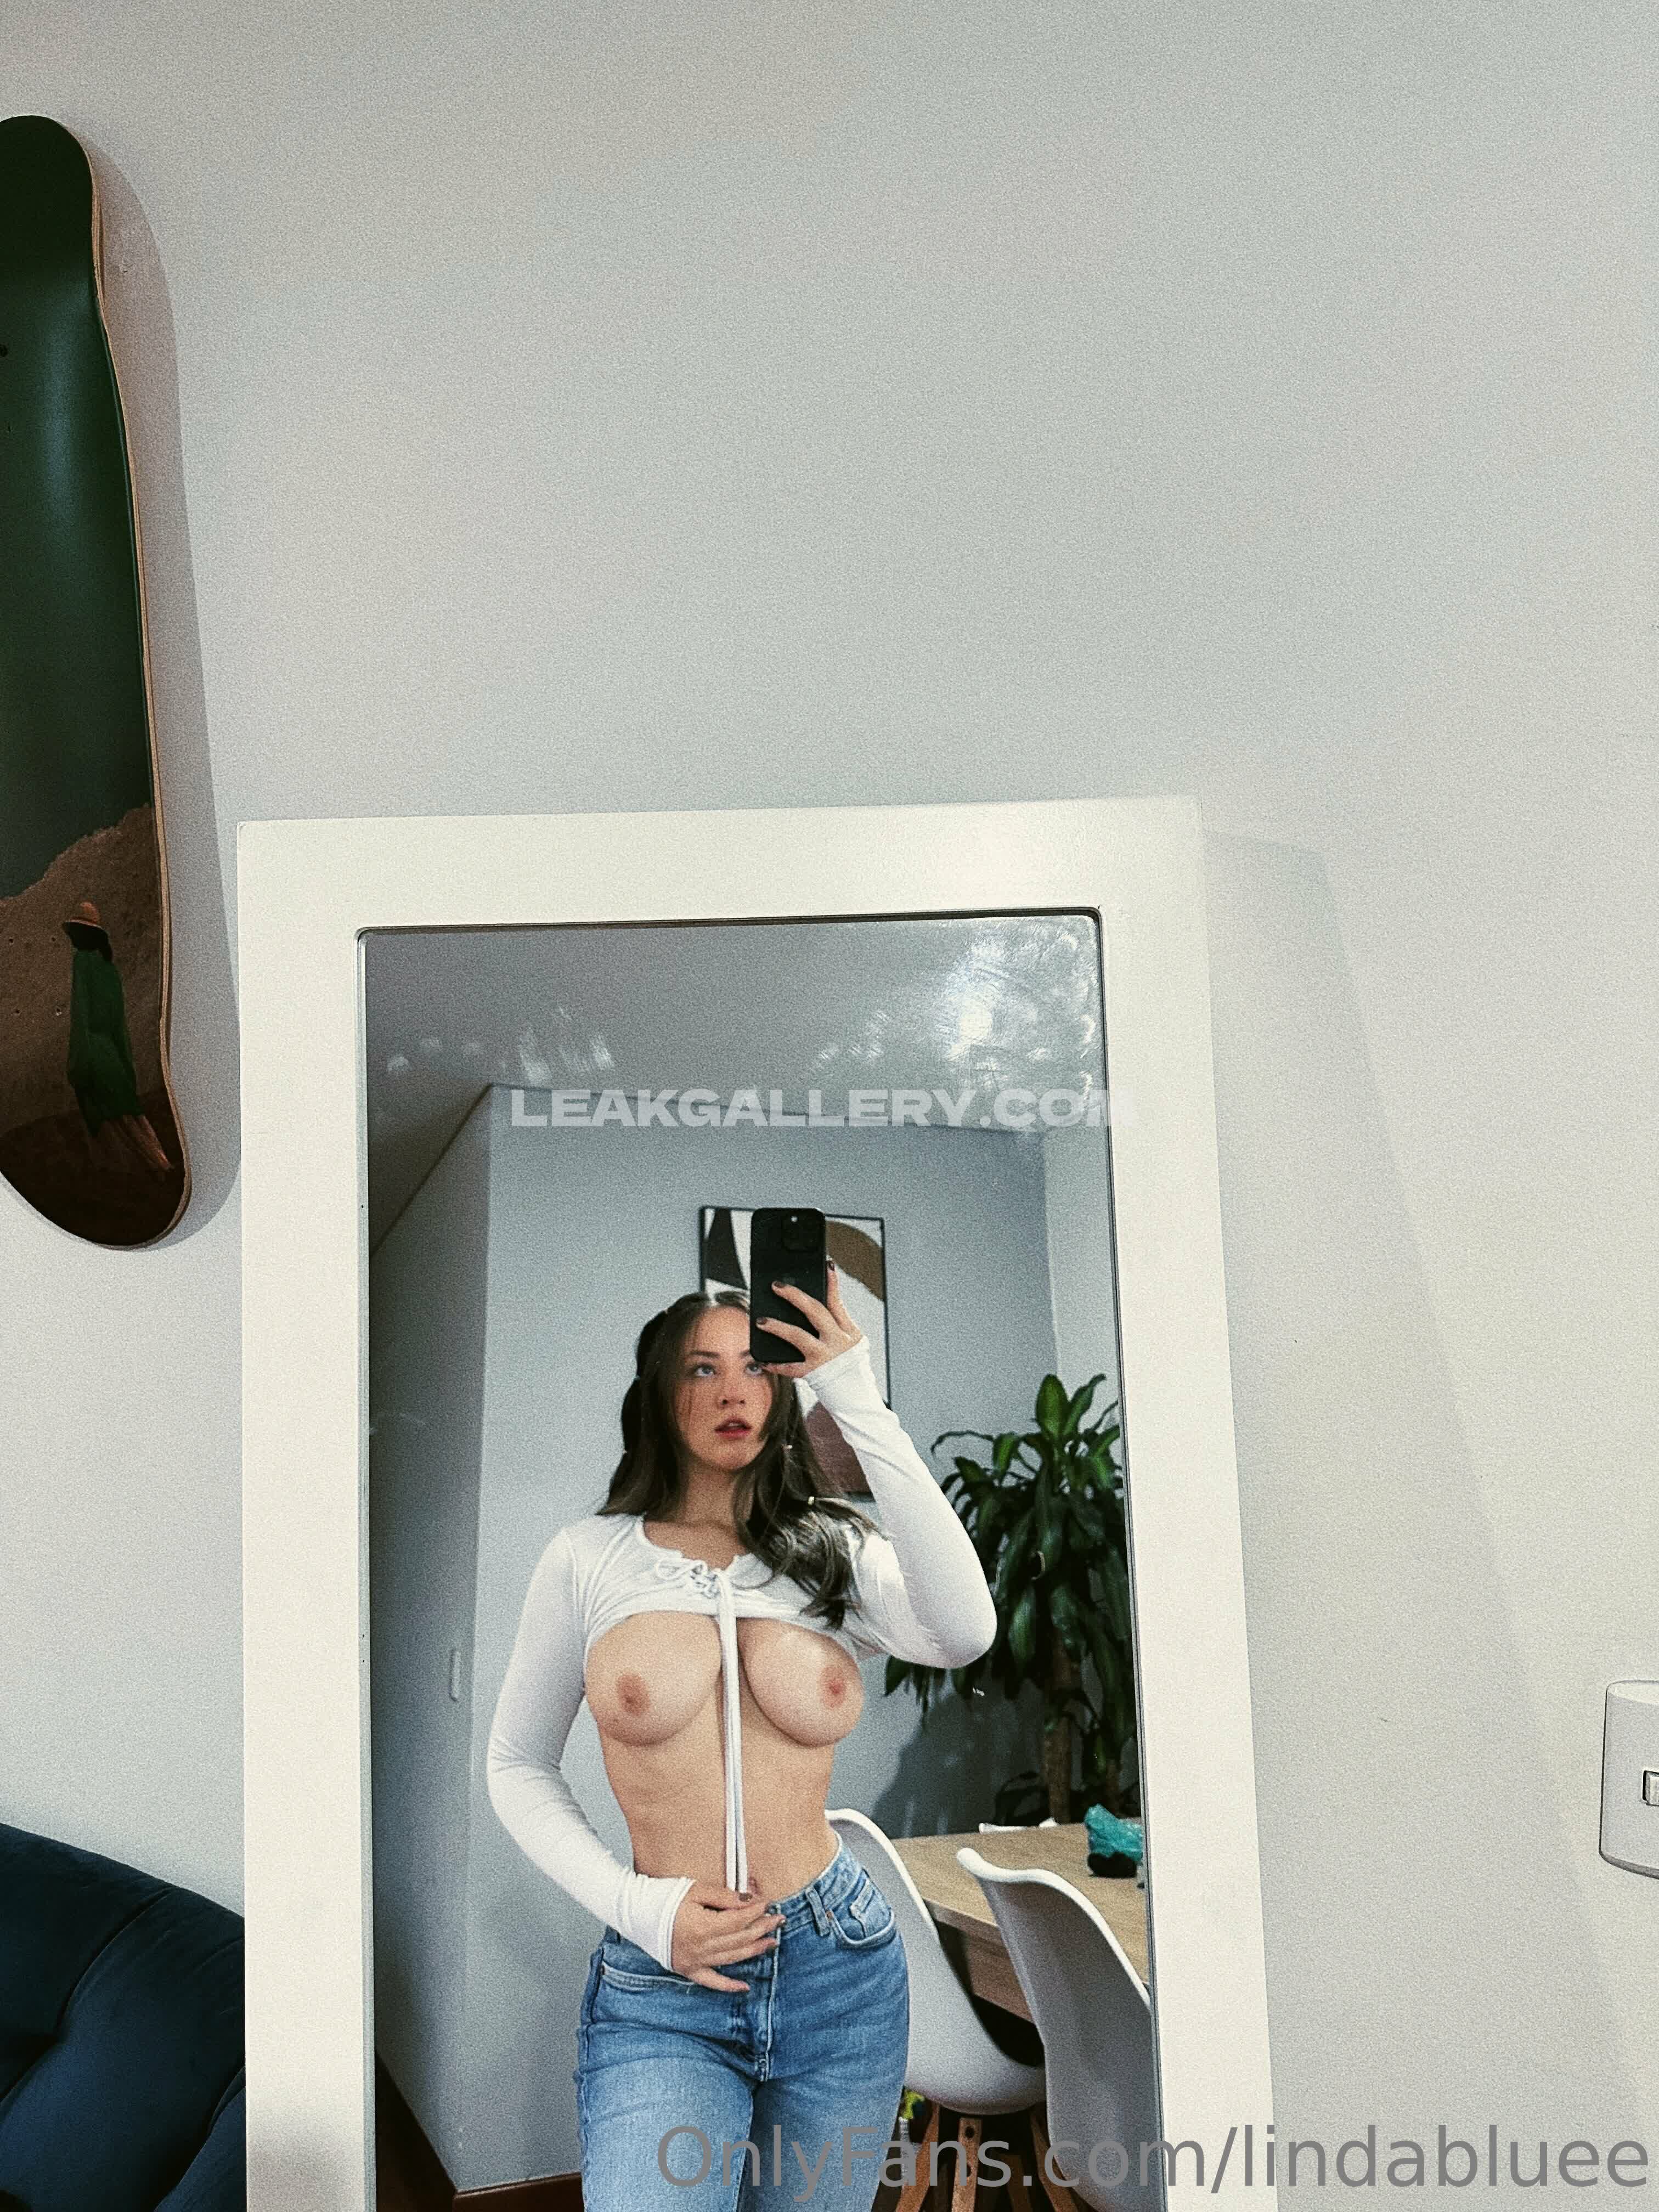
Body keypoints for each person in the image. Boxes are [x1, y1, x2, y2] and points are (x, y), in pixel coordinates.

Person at [488, 1262, 998, 2210]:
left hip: (840, 1965)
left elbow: (965, 1629)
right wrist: (639, 1907)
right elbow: (516, 1765)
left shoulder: (832, 1546)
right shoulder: (588, 1559)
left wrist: (852, 1391)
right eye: (701, 1368)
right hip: (665, 1980)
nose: (734, 1390)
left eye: (757, 1367)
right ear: (658, 1393)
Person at [61, 900, 171, 1177]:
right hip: (113, 1055)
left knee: (106, 1121)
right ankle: (160, 1163)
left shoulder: (82, 963)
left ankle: (138, 1170)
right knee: (130, 1114)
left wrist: (77, 1062)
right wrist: (125, 1063)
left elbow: (81, 1018)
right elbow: (119, 1025)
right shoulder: (109, 970)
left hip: (93, 1054)